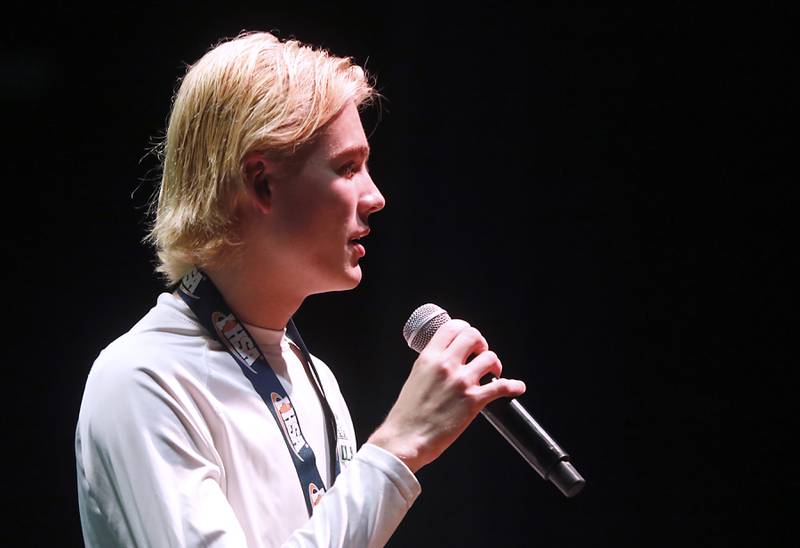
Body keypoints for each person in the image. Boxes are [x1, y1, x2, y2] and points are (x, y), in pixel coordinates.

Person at [75, 31, 526, 547]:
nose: (375, 196)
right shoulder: (143, 380)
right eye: (347, 167)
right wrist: (399, 445)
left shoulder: (316, 380)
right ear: (261, 183)